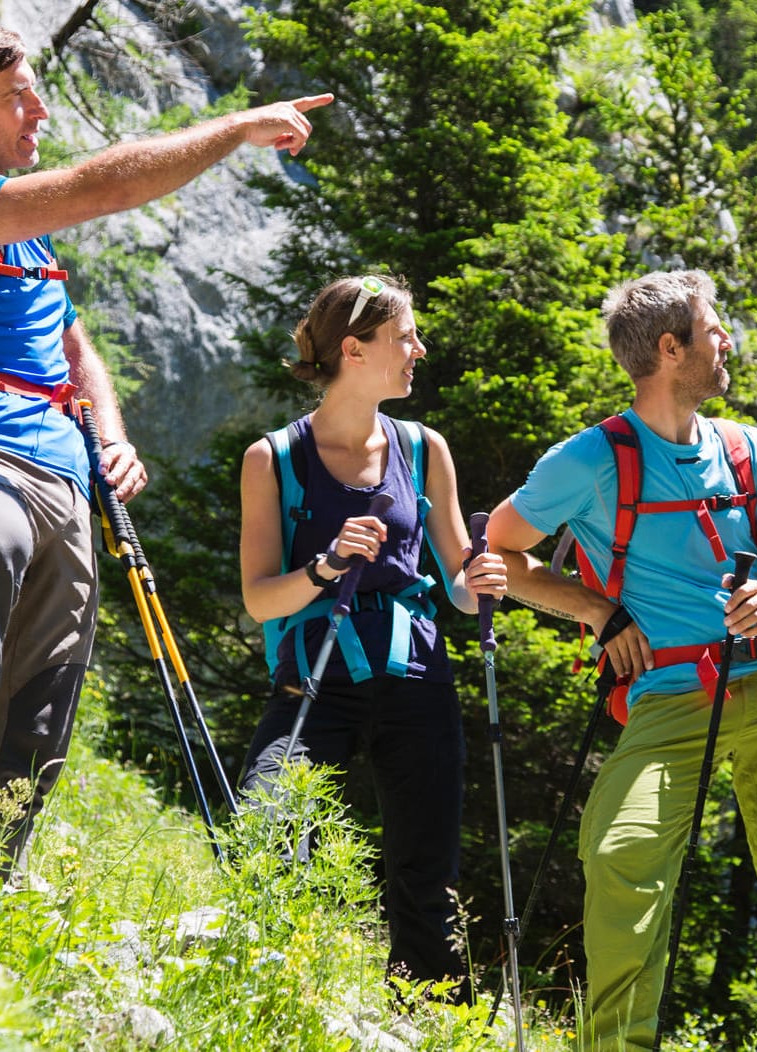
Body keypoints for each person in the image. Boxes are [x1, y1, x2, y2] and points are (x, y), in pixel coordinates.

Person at [0, 18, 333, 883]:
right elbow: (104, 187)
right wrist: (237, 129)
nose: (39, 110)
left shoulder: (23, 237)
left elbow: (72, 340)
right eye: (16, 96)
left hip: (66, 468)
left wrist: (114, 433)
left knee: (51, 686)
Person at [486, 270, 757, 1050]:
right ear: (668, 347)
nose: (727, 341)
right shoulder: (587, 461)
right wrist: (595, 609)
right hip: (669, 698)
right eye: (712, 328)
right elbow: (497, 554)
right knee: (621, 854)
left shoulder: (750, 449)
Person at [237, 274, 508, 995]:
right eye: (405, 337)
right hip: (316, 677)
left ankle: (430, 1016)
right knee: (268, 821)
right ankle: (268, 991)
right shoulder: (274, 459)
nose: (419, 348)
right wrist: (326, 566)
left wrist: (477, 581)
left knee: (426, 869)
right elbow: (262, 600)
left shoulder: (423, 448)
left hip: (418, 677)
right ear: (354, 351)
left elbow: (454, 577)